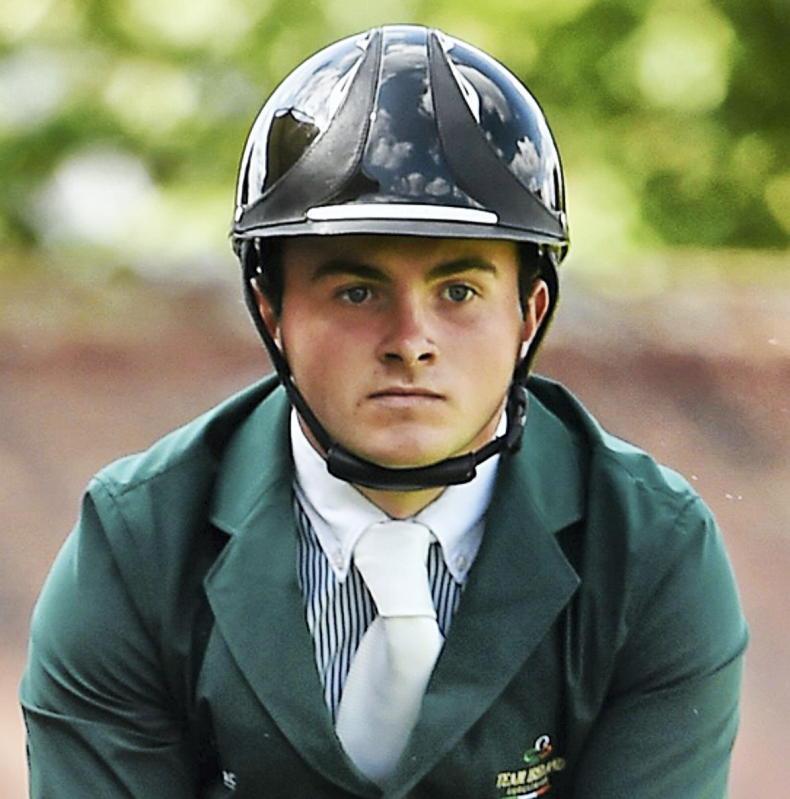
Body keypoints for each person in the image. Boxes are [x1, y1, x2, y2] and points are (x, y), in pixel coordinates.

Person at [20, 24, 747, 798]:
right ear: (271, 310)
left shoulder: (648, 551)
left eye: (459, 291)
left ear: (529, 315)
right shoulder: (138, 544)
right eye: (357, 291)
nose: (410, 342)